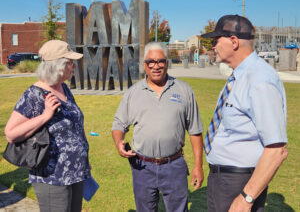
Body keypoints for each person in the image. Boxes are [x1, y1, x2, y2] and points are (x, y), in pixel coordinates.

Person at [200, 14, 288, 212]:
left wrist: (246, 198)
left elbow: (277, 149)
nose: (213, 46)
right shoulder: (240, 76)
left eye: (216, 41)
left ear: (233, 41)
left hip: (238, 182)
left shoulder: (259, 80)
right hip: (224, 179)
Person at [112, 42, 204, 212]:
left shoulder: (184, 90)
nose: (156, 66)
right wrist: (119, 141)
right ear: (144, 65)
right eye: (151, 62)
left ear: (167, 63)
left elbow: (195, 131)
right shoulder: (133, 92)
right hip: (142, 166)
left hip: (174, 165)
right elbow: (119, 123)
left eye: (160, 61)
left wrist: (198, 166)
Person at [5, 40, 91, 212]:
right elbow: (11, 133)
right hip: (53, 177)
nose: (74, 67)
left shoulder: (63, 89)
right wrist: (45, 116)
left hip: (75, 172)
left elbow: (74, 129)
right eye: (70, 63)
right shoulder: (34, 95)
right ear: (57, 66)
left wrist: (83, 160)